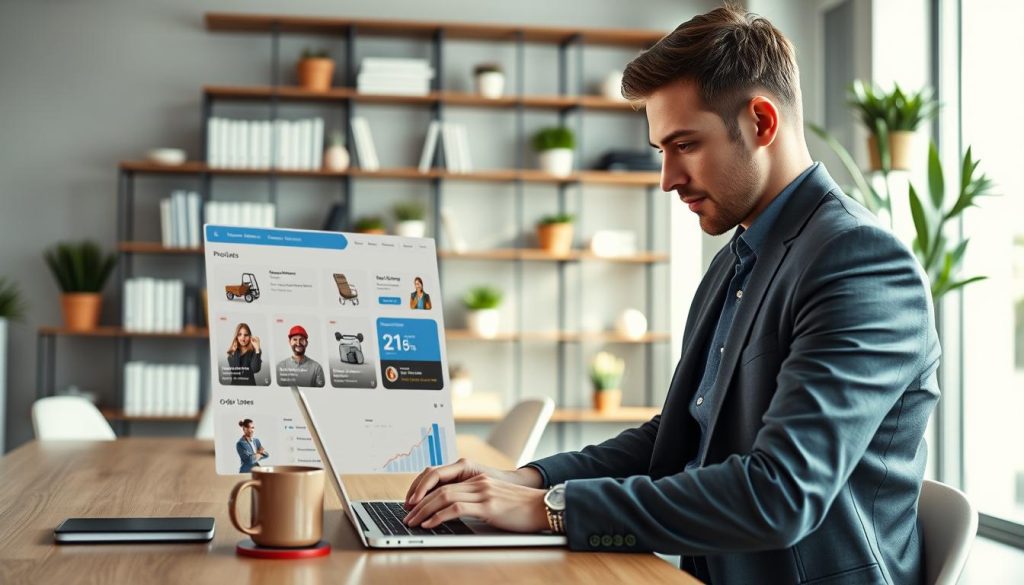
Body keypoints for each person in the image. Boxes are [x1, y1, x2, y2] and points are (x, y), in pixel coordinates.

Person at [401, 6, 939, 584]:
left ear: (761, 122)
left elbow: (781, 495)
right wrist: (524, 481)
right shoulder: (737, 260)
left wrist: (548, 510)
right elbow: (677, 435)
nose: (668, 178)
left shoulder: (859, 262)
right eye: (662, 150)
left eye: (685, 144)